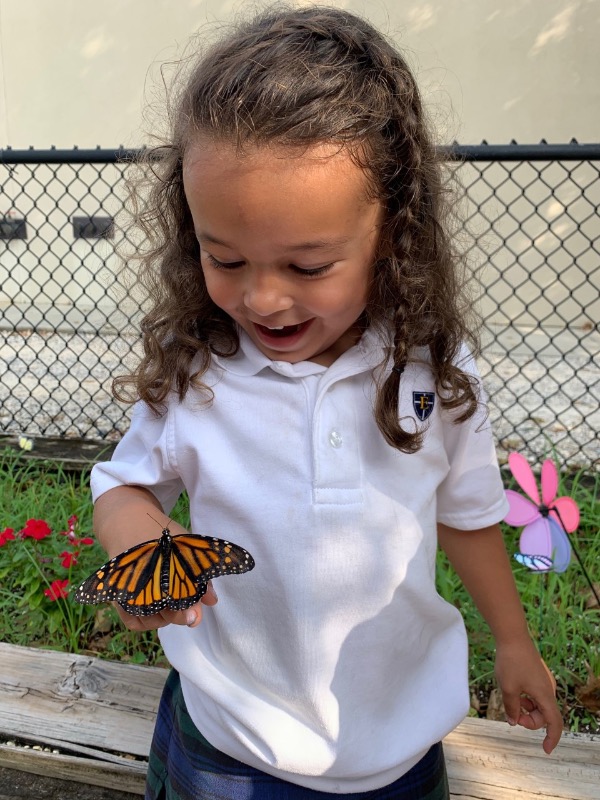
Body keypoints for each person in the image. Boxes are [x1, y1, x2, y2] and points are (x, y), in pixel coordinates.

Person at [91, 6, 563, 799]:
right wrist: (138, 541)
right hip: (229, 745)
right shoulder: (197, 370)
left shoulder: (435, 373)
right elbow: (121, 484)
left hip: (401, 752)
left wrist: (514, 641)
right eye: (225, 256)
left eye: (308, 266)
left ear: (392, 233)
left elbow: (469, 511)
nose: (263, 298)